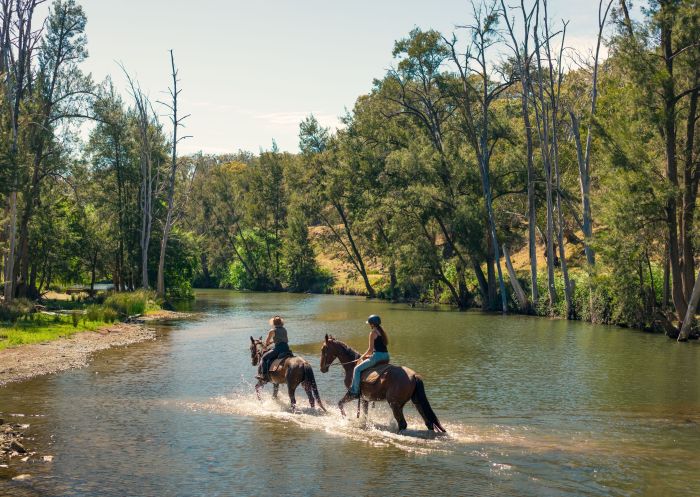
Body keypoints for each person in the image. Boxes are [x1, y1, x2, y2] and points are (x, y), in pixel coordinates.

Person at [347, 314, 390, 398]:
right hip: (386, 356)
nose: (369, 325)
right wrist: (370, 355)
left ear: (372, 324)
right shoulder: (382, 331)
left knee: (357, 369)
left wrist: (361, 357)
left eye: (370, 323)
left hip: (377, 357)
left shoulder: (373, 333)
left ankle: (355, 391)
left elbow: (370, 349)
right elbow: (380, 347)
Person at [258, 316, 292, 381]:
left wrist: (265, 345)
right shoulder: (284, 329)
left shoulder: (272, 330)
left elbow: (266, 342)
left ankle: (264, 375)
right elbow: (286, 340)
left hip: (278, 349)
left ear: (273, 323)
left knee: (264, 358)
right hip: (286, 348)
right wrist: (273, 341)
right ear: (281, 322)